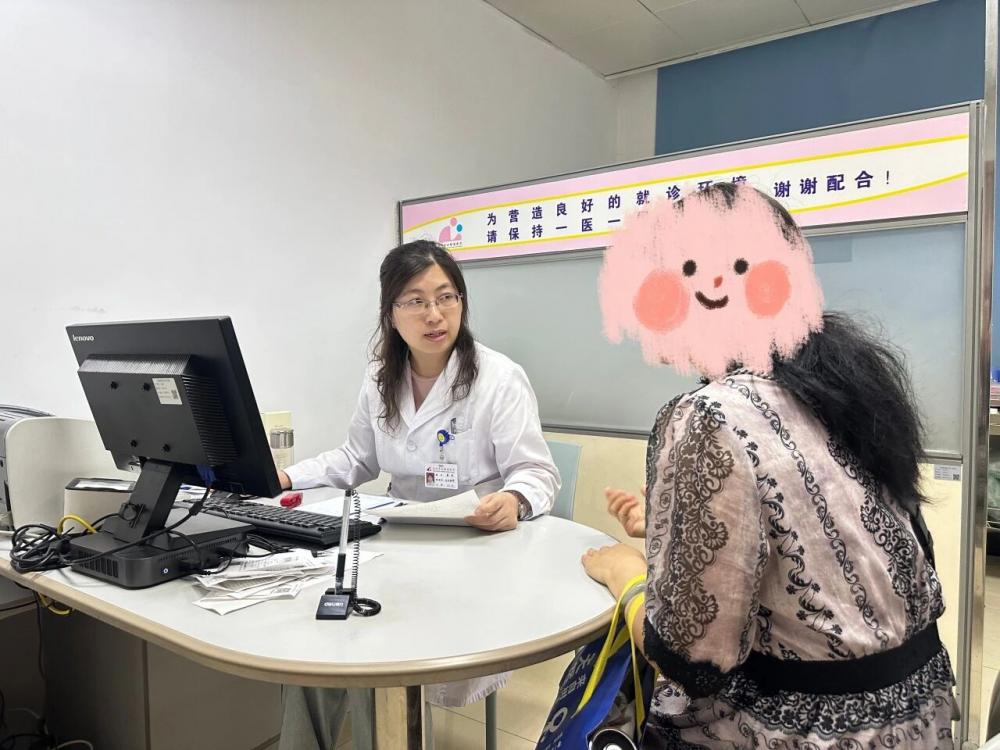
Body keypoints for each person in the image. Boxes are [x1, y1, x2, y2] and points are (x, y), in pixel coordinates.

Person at [582, 183, 955, 748]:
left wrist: (627, 573)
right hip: (923, 718)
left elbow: (690, 658)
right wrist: (668, 532)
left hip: (804, 731)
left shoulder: (710, 413)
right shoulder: (847, 386)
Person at [279, 239, 560, 750]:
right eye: (416, 301)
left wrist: (515, 500)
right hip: (397, 541)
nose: (434, 314)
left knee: (370, 654)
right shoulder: (378, 379)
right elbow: (356, 459)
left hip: (475, 552)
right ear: (391, 314)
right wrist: (287, 478)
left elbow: (537, 472)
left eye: (446, 297)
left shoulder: (499, 378)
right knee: (316, 641)